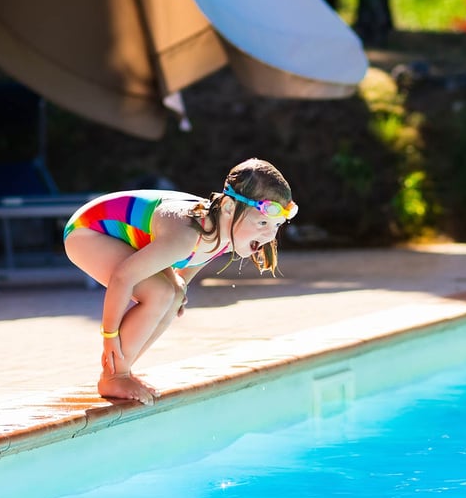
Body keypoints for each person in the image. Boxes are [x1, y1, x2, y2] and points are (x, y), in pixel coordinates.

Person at [63, 157, 297, 406]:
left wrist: (180, 287)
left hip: (130, 237)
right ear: (229, 208)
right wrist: (109, 334)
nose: (270, 234)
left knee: (173, 296)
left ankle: (122, 371)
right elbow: (123, 278)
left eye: (277, 225)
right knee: (160, 294)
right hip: (88, 231)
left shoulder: (227, 230)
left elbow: (196, 258)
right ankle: (114, 376)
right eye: (263, 222)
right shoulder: (187, 233)